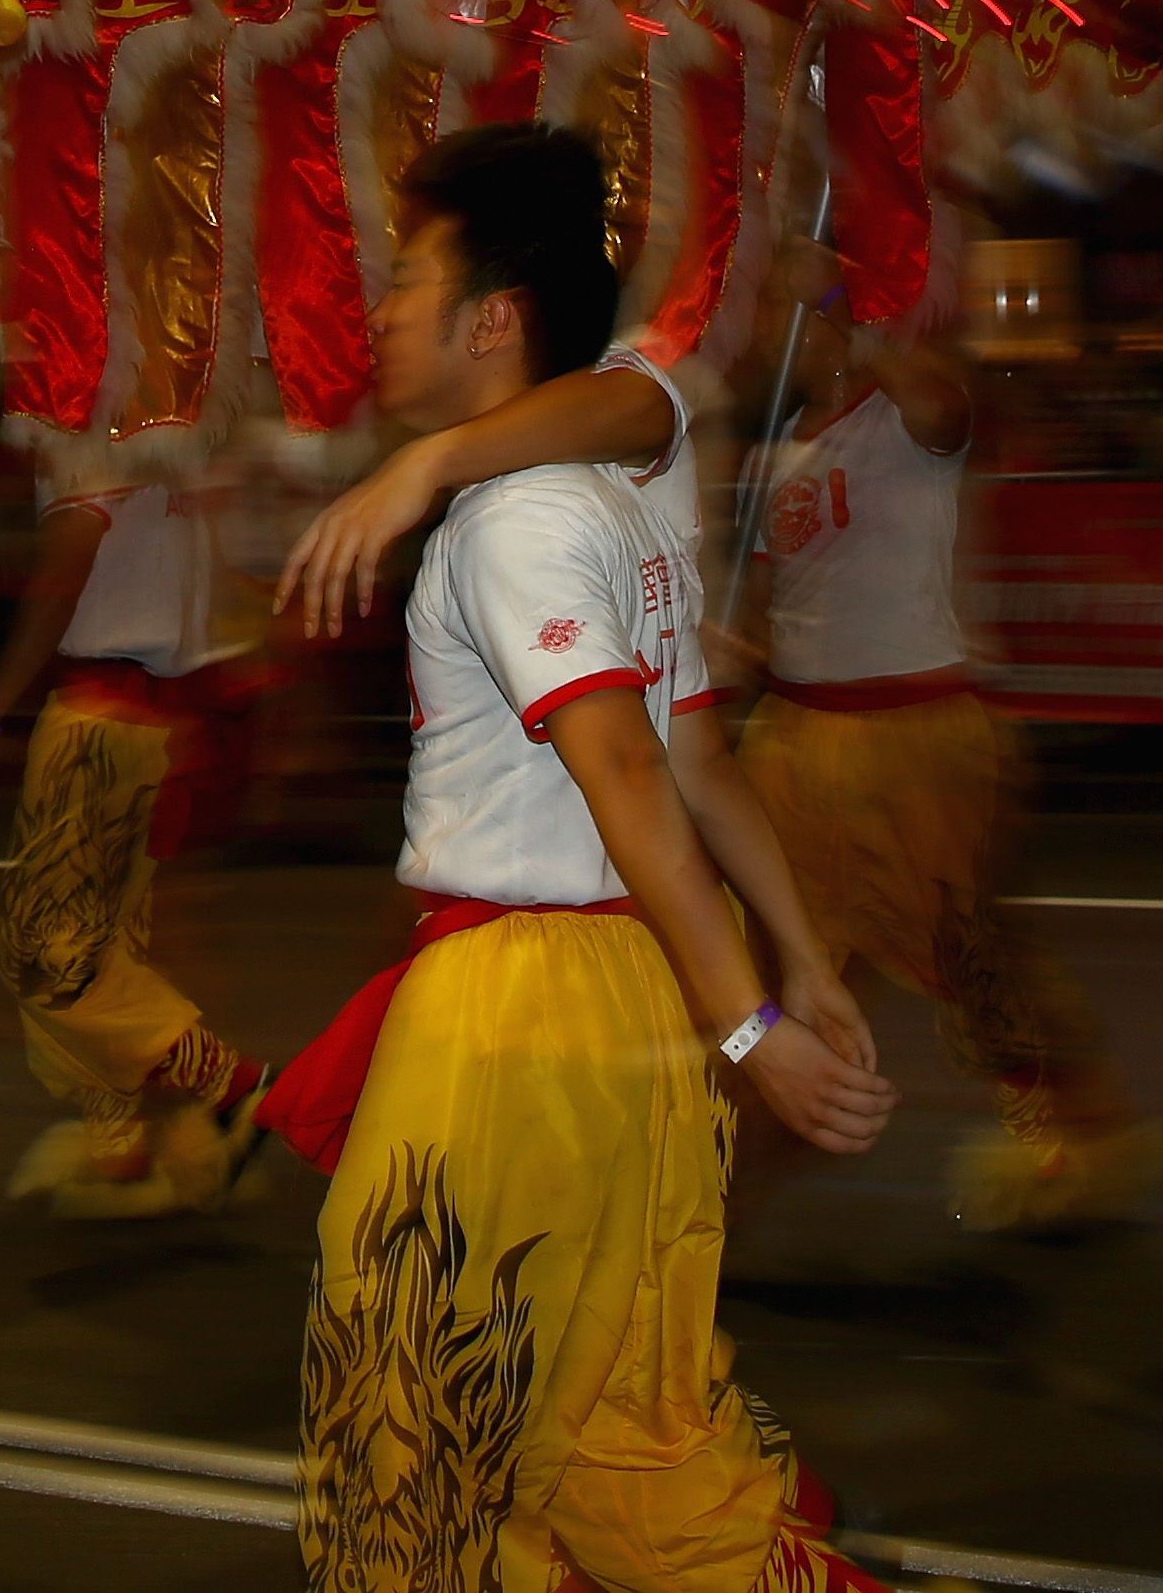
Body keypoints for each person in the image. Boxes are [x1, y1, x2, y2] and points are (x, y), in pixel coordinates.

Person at [263, 125, 895, 1592]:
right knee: (627, 1442)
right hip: (629, 1016)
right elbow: (701, 762)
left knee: (402, 1437)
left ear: (495, 316)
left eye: (408, 280)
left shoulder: (516, 523)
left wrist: (757, 1022)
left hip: (520, 1020)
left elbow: (627, 775)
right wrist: (788, 968)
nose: (380, 308)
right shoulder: (611, 510)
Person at [289, 242, 1160, 1231]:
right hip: (799, 731)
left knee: (969, 959)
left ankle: (1070, 1126)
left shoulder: (918, 415)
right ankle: (716, 1155)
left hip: (916, 732)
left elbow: (910, 401)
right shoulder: (775, 437)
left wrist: (846, 299)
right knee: (752, 948)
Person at [0, 467, 272, 1215]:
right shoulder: (182, 437)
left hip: (107, 710)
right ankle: (120, 1144)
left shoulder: (86, 439)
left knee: (46, 953)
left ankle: (232, 1086)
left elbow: (59, 581)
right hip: (184, 702)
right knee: (120, 940)